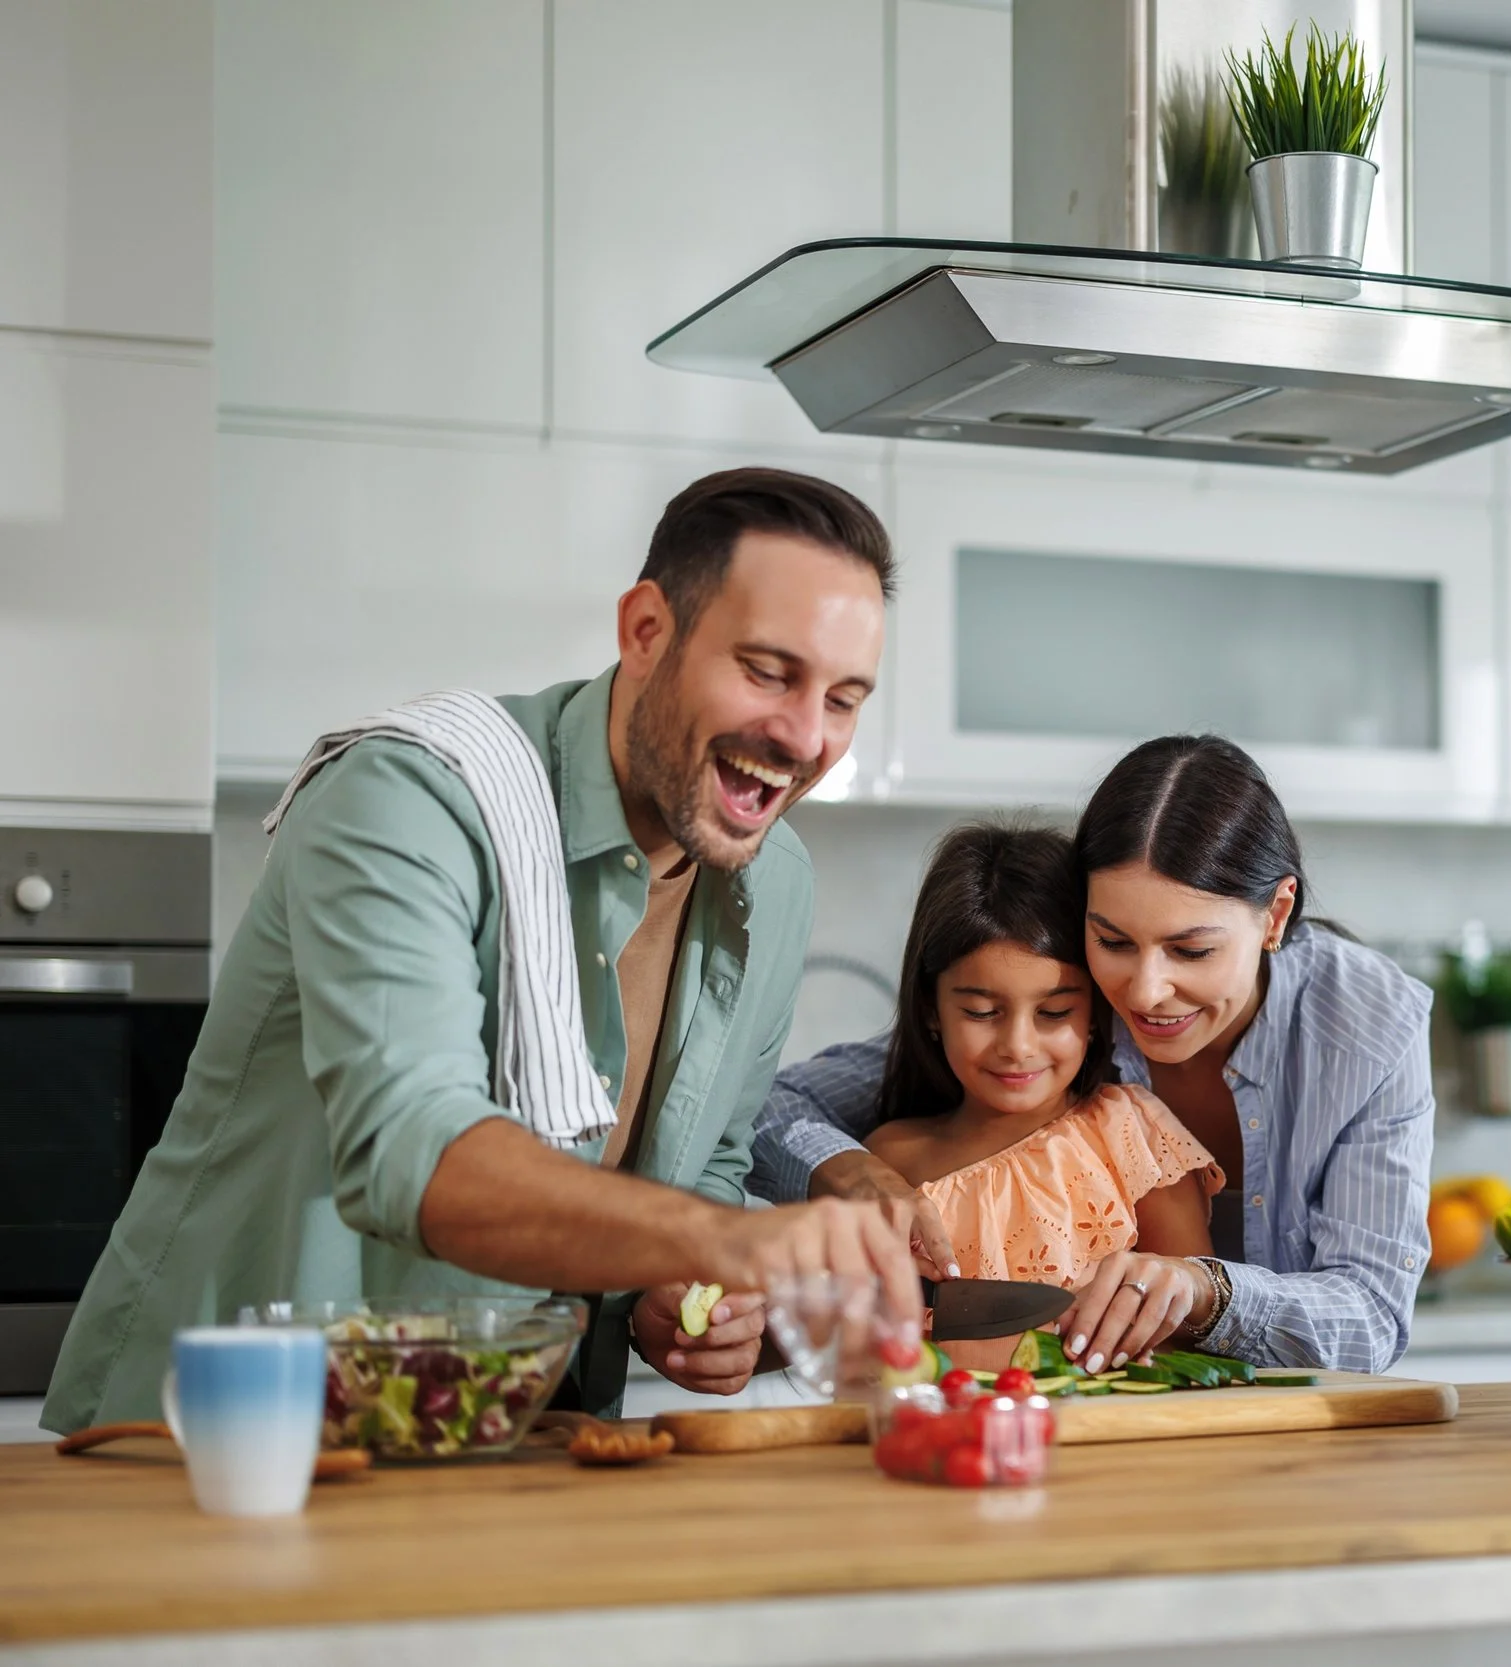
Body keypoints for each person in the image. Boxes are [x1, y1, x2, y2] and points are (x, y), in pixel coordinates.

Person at [43, 467, 923, 1434]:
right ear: (645, 630)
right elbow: (413, 1152)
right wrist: (741, 1242)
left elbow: (703, 1159)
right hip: (225, 1435)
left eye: (843, 697)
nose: (805, 735)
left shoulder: (779, 878)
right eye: (767, 670)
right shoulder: (411, 796)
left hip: (517, 1444)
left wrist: (677, 1293)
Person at [755, 736, 1434, 1375]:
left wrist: (1206, 1289)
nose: (1143, 992)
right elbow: (768, 1107)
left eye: (1191, 950)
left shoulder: (1369, 1026)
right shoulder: (1066, 1002)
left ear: (1276, 915)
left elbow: (1371, 1316)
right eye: (1112, 940)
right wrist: (852, 1175)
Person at [862, 822, 1223, 1366]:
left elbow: (1194, 1325)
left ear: (1098, 1012)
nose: (1017, 1046)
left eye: (1055, 1013)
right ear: (932, 1010)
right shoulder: (888, 1164)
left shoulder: (1132, 1135)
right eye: (982, 1012)